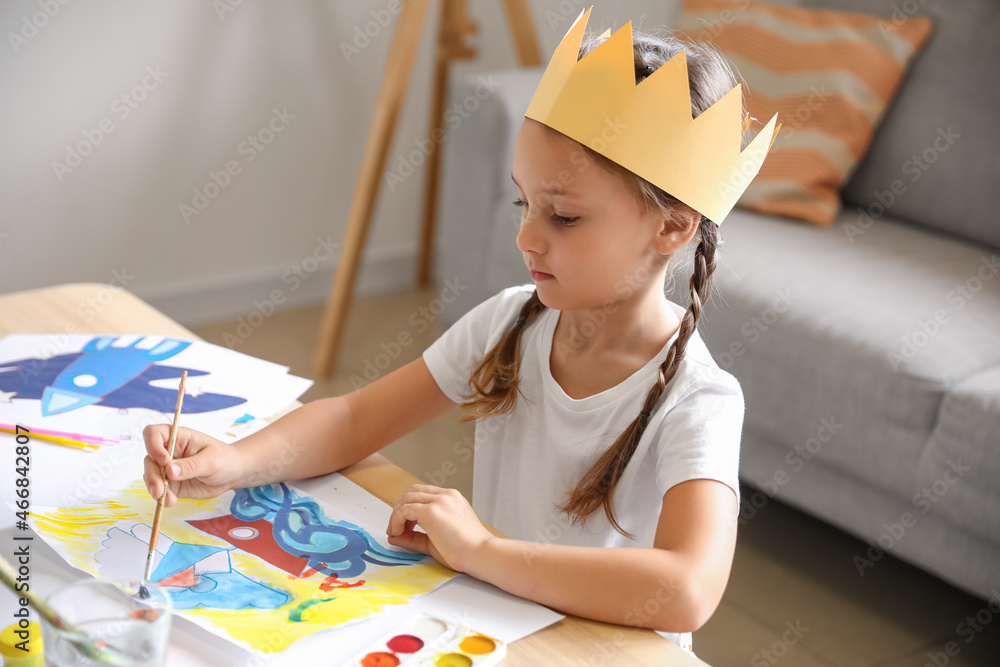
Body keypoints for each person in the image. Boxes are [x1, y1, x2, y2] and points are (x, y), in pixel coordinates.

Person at [143, 9, 778, 656]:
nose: (526, 236)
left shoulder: (699, 399)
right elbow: (356, 420)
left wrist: (484, 550)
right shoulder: (510, 320)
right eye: (522, 203)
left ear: (672, 227)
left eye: (563, 216)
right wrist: (232, 461)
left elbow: (687, 587)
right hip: (500, 626)